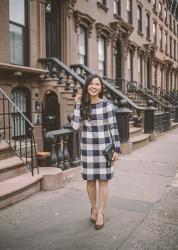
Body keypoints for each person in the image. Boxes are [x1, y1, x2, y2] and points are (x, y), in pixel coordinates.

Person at [71, 74, 121, 230]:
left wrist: (117, 149)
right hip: (87, 149)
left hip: (104, 149)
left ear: (101, 88)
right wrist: (77, 104)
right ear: (87, 87)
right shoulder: (83, 105)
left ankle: (100, 213)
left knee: (104, 181)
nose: (94, 86)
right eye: (91, 84)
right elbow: (74, 126)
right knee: (90, 181)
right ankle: (93, 207)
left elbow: (113, 128)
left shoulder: (107, 105)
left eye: (97, 84)